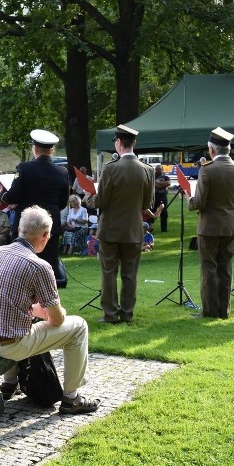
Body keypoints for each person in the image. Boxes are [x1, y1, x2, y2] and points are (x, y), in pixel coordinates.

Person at [0, 205, 100, 415]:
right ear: (46, 235)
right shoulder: (39, 266)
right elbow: (57, 320)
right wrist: (57, 312)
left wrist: (36, 311)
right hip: (7, 345)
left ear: (19, 229)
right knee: (79, 327)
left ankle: (9, 382)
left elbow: (2, 302)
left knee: (11, 320)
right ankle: (72, 398)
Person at [85, 125, 154, 324]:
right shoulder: (147, 170)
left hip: (111, 230)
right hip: (134, 229)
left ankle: (110, 314)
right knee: (130, 274)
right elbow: (146, 204)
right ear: (134, 143)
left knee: (109, 273)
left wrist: (89, 195)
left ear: (118, 143)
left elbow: (100, 201)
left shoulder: (111, 169)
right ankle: (127, 314)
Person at [187, 127, 234, 319]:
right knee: (225, 269)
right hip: (230, 225)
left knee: (209, 269)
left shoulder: (207, 170)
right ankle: (224, 310)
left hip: (209, 227)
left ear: (212, 150)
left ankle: (210, 311)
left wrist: (189, 198)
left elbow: (199, 202)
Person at [1, 129, 70, 285]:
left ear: (35, 148)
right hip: (49, 224)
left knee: (21, 265)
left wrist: (4, 196)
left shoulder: (24, 168)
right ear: (52, 150)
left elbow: (13, 196)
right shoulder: (62, 172)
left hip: (26, 223)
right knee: (48, 267)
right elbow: (62, 202)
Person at [153, 165, 171, 232]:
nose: (158, 170)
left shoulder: (166, 177)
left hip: (163, 197)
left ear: (162, 170)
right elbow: (154, 184)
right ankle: (149, 227)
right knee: (152, 211)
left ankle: (164, 229)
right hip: (154, 197)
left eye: (159, 169)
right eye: (157, 169)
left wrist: (158, 183)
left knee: (164, 213)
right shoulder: (153, 177)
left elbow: (168, 183)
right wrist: (163, 184)